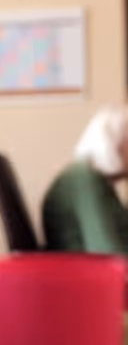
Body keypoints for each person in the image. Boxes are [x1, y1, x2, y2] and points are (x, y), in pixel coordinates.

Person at [43, 106, 128, 255]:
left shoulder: (91, 179)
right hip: (87, 275)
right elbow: (108, 253)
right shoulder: (86, 180)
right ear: (115, 144)